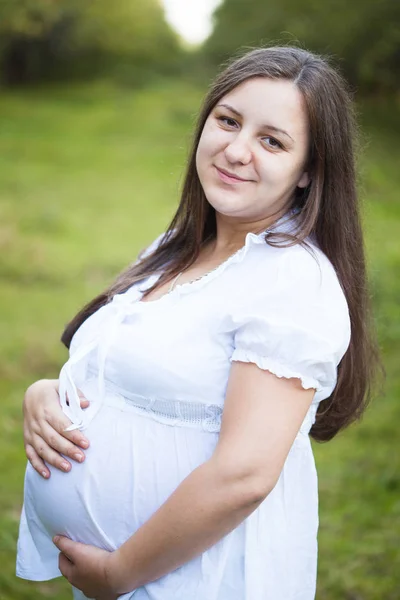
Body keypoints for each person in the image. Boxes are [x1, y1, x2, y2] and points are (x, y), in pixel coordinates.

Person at [17, 46, 379, 600]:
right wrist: (49, 395)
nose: (235, 150)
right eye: (228, 121)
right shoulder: (175, 248)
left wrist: (119, 574)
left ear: (308, 172)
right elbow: (123, 369)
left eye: (271, 140)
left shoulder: (290, 279)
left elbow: (244, 475)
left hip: (200, 581)